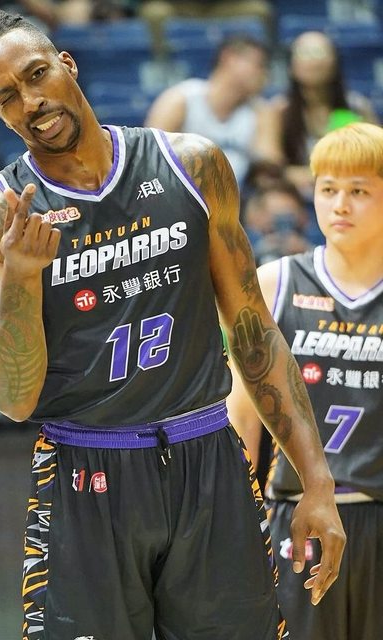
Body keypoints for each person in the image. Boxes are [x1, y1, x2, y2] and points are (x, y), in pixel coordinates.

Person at [0, 10, 345, 640]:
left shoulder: (191, 164)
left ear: (67, 64)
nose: (30, 102)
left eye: (37, 75)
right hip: (84, 469)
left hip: (208, 455)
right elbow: (12, 397)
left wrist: (315, 481)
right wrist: (22, 276)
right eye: (7, 97)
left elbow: (253, 331)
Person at [226, 122, 383, 640]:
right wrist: (238, 526)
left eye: (359, 191)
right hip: (297, 516)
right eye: (328, 188)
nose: (340, 205)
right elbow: (242, 421)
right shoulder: (273, 284)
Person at [255, 31, 378, 201]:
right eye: (304, 53)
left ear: (335, 62)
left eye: (320, 53)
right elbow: (269, 163)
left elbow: (375, 158)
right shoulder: (277, 110)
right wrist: (294, 174)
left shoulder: (356, 108)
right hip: (294, 197)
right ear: (291, 65)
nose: (313, 61)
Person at [145, 34, 272, 189]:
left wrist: (267, 116)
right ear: (229, 58)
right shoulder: (181, 99)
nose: (263, 74)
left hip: (236, 198)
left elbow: (270, 165)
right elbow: (150, 157)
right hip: (179, 194)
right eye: (258, 65)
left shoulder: (258, 111)